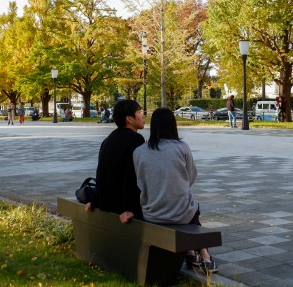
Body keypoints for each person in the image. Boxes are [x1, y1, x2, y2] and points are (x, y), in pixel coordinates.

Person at [132, 107, 218, 273]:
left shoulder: (139, 152)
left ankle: (193, 253)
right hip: (181, 213)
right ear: (173, 124)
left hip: (152, 213)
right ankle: (204, 255)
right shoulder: (181, 147)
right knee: (191, 206)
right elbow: (190, 177)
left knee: (187, 204)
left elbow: (140, 182)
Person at [86, 99, 145, 218]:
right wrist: (133, 208)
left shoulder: (109, 139)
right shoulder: (135, 139)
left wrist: (96, 201)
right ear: (129, 119)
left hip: (105, 202)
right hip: (122, 207)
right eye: (139, 112)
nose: (143, 115)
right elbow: (133, 176)